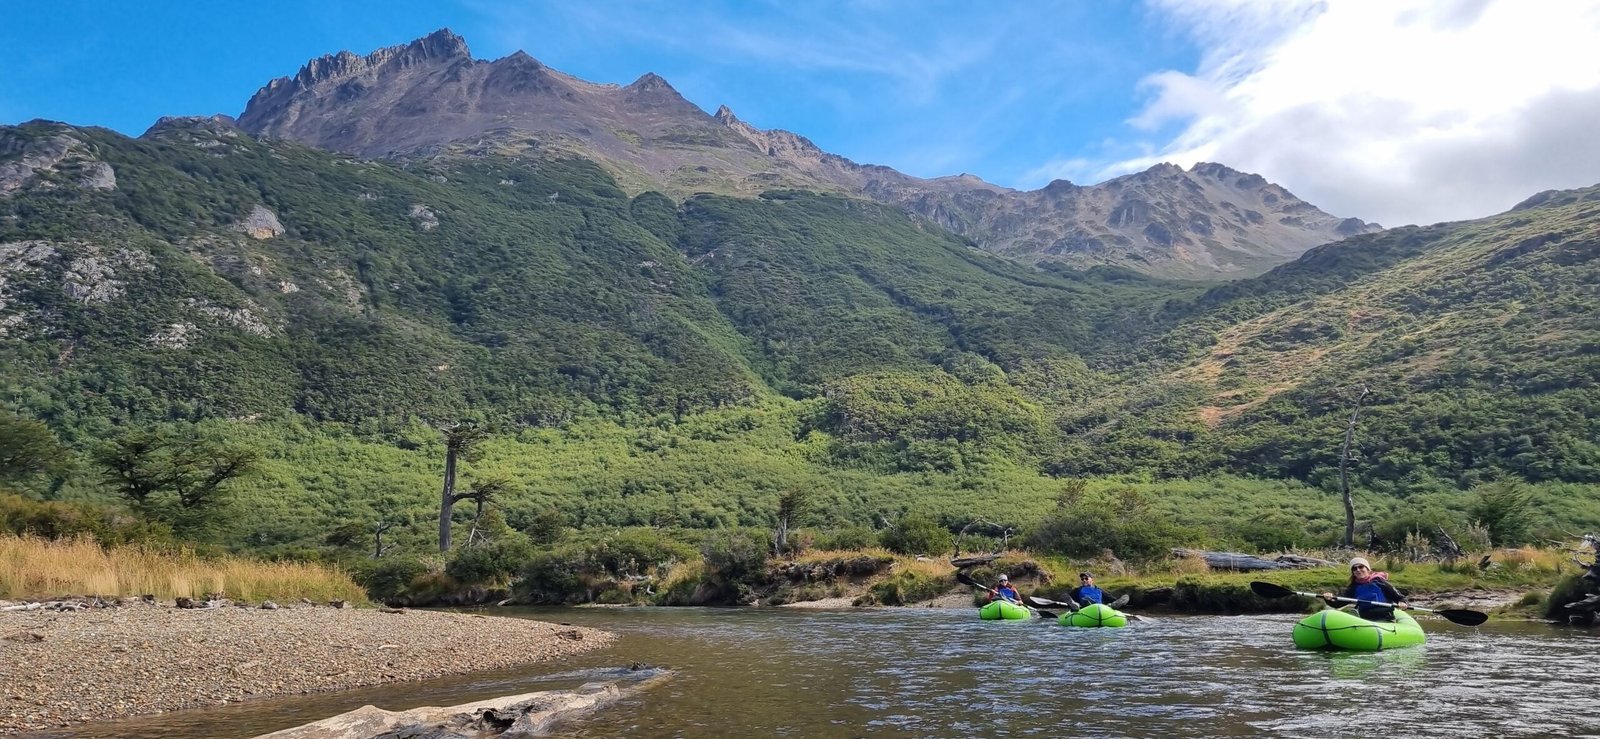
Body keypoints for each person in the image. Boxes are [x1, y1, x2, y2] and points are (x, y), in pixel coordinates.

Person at [1320, 557, 1410, 621]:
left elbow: (1400, 597)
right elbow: (1338, 603)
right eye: (1354, 569)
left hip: (1385, 618)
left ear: (1368, 569)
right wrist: (1328, 599)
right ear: (1353, 573)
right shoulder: (1353, 588)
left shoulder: (1381, 583)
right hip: (1366, 620)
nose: (1358, 570)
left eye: (1361, 567)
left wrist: (1403, 603)